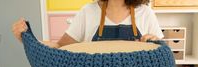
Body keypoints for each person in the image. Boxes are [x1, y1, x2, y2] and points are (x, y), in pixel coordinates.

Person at [12, 0, 163, 48]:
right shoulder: (88, 12)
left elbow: (163, 54)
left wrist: (154, 41)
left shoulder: (146, 13)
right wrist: (28, 39)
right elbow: (60, 47)